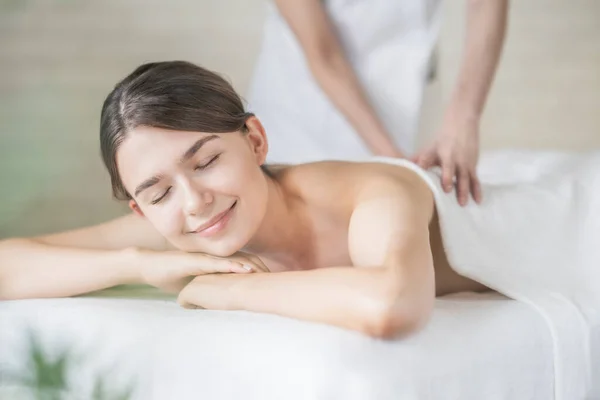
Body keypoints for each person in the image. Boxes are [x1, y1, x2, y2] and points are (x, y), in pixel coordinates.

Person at [0, 61, 491, 339]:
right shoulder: (184, 222)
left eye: (206, 160)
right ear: (140, 209)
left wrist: (227, 293)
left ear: (254, 140)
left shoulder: (373, 193)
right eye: (160, 192)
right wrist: (139, 266)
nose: (194, 201)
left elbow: (391, 308)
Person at [247, 0, 509, 206]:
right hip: (308, 121)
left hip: (412, 107)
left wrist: (464, 118)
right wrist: (396, 163)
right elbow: (324, 54)